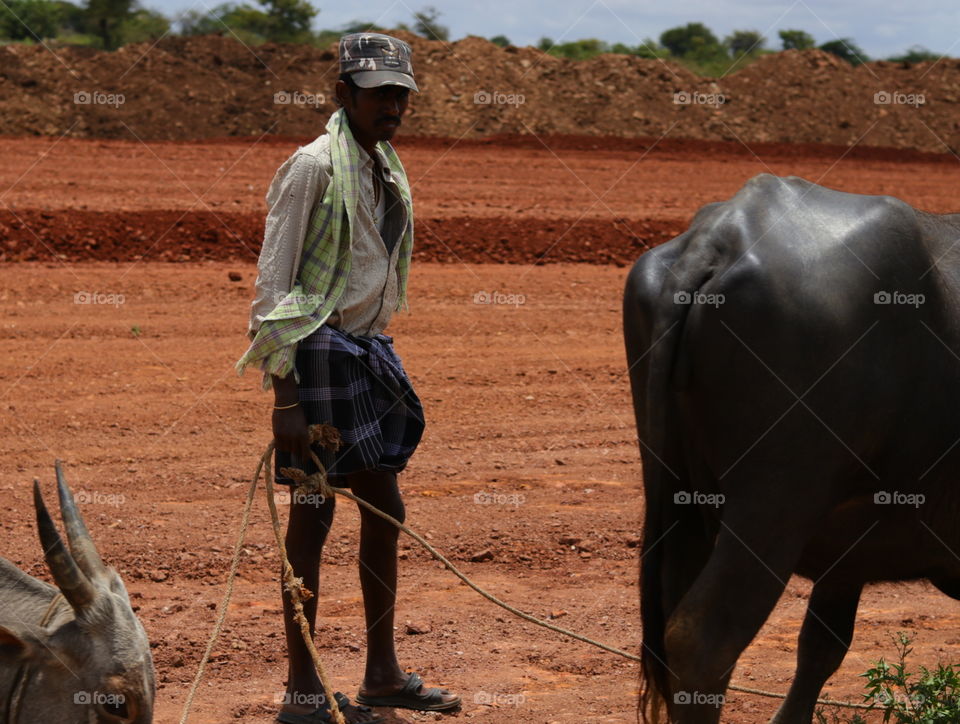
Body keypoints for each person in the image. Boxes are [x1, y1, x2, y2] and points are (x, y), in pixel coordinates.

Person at [237, 32, 461, 724]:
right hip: (317, 357)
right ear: (342, 95)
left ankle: (382, 674)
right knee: (313, 516)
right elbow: (274, 285)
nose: (392, 105)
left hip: (365, 350)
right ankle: (304, 693)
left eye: (400, 93)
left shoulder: (383, 164)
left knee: (385, 508)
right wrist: (286, 400)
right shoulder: (313, 168)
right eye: (377, 93)